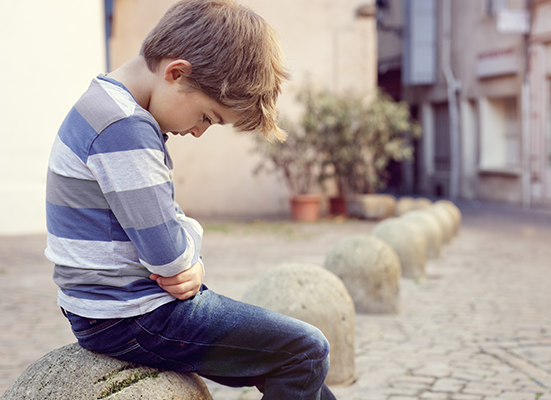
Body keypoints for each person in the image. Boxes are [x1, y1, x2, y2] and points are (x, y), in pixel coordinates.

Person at [44, 0, 335, 398]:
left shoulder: (104, 106)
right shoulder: (125, 129)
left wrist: (184, 240)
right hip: (134, 318)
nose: (199, 132)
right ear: (176, 73)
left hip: (112, 312)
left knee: (289, 364)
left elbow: (165, 220)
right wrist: (192, 251)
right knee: (306, 350)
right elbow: (170, 257)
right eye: (207, 117)